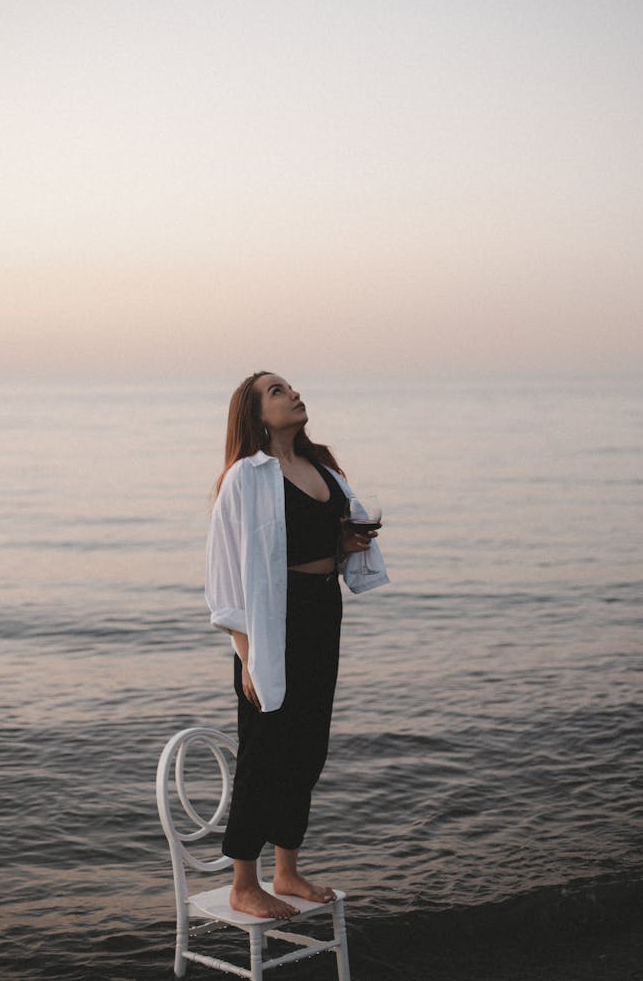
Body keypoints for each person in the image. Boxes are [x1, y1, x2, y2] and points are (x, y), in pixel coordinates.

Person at [205, 371, 389, 920]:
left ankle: (286, 870)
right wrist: (246, 655)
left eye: (292, 387)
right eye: (277, 391)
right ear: (257, 414)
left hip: (320, 610)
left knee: (308, 747)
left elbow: (313, 537)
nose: (293, 394)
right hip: (271, 622)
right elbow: (226, 570)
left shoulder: (321, 467)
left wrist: (344, 542)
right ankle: (244, 881)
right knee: (264, 751)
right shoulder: (246, 476)